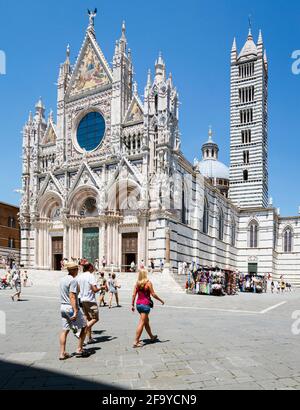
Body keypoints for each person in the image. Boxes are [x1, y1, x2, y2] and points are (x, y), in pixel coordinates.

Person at [59, 262, 89, 360]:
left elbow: (76, 292)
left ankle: (62, 353)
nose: (77, 270)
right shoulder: (72, 281)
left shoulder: (62, 280)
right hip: (70, 307)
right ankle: (79, 349)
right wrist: (75, 310)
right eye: (76, 269)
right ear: (73, 270)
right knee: (85, 326)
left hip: (63, 307)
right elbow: (72, 296)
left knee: (65, 330)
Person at [131, 269, 165, 348]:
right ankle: (136, 341)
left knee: (146, 321)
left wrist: (132, 305)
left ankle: (152, 337)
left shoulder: (137, 284)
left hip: (138, 305)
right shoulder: (148, 283)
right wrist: (161, 300)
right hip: (145, 305)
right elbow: (153, 294)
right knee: (142, 322)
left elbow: (133, 295)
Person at [77, 263, 100, 345]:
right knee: (95, 318)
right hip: (90, 300)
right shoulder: (91, 276)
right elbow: (94, 289)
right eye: (92, 266)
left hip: (82, 300)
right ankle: (82, 331)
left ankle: (89, 338)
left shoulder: (80, 276)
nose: (94, 268)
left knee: (88, 319)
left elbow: (78, 289)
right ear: (90, 267)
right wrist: (101, 287)